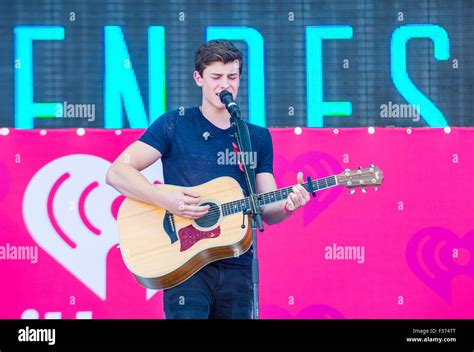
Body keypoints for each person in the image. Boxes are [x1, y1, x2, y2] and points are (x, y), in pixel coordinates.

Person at [106, 39, 310, 319]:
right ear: (198, 78)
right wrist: (167, 199)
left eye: (232, 77)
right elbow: (117, 172)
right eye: (215, 77)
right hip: (185, 263)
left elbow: (266, 208)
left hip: (237, 266)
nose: (224, 85)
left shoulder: (257, 137)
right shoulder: (174, 124)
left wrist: (290, 206)